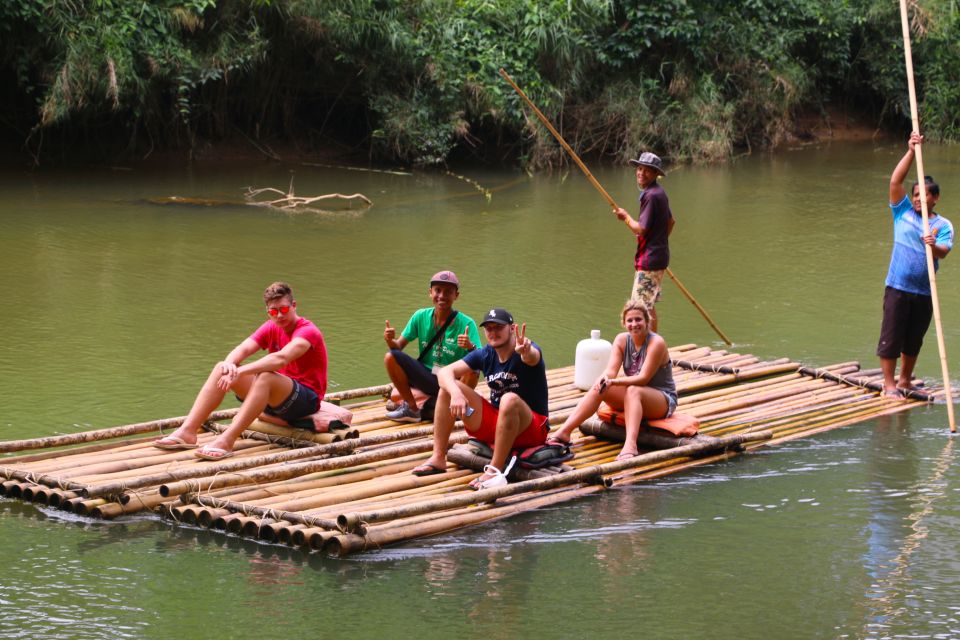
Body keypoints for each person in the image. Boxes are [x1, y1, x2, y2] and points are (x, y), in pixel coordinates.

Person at [153, 281, 329, 460]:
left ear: (293, 306)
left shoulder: (307, 331)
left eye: (283, 310)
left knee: (266, 376)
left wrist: (241, 371)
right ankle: (187, 431)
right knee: (222, 368)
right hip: (275, 398)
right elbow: (243, 348)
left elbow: (281, 358)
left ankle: (226, 440)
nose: (279, 316)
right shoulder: (271, 326)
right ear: (268, 312)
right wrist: (230, 364)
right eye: (273, 312)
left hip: (305, 400)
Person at [412, 308, 549, 489]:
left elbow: (532, 357)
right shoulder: (485, 354)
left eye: (498, 327)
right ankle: (438, 458)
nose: (493, 332)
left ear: (511, 328)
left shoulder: (526, 348)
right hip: (499, 423)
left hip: (531, 428)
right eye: (489, 328)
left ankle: (494, 470)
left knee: (509, 399)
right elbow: (445, 372)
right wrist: (456, 393)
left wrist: (526, 351)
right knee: (448, 388)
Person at [549, 300, 677, 461]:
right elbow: (611, 371)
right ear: (624, 323)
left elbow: (643, 379)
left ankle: (631, 445)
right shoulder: (622, 340)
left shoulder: (656, 343)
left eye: (638, 319)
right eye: (630, 320)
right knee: (601, 385)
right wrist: (604, 378)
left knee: (633, 389)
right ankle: (564, 432)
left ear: (647, 321)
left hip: (662, 400)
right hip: (634, 396)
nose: (634, 324)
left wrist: (615, 382)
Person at [878, 133, 953, 397]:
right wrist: (911, 151)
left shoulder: (942, 225)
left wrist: (931, 245)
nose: (919, 199)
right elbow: (895, 181)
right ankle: (889, 386)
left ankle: (905, 381)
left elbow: (943, 252)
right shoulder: (903, 213)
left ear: (936, 198)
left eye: (924, 195)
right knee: (891, 335)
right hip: (898, 285)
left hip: (924, 290)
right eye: (916, 195)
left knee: (913, 340)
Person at [383, 270, 481, 422]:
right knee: (390, 358)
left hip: (452, 381)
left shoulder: (467, 323)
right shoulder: (420, 316)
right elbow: (397, 347)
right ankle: (413, 409)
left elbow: (480, 359)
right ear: (430, 292)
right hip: (428, 376)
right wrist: (390, 340)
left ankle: (449, 406)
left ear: (456, 296)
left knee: (473, 370)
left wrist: (470, 346)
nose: (442, 296)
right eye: (438, 290)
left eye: (448, 292)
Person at [615, 151, 675, 333]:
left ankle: (648, 346)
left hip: (649, 260)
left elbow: (640, 229)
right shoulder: (659, 193)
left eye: (648, 171)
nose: (641, 173)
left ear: (656, 174)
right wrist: (658, 239)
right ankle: (653, 343)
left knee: (640, 305)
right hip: (658, 257)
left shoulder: (651, 195)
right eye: (639, 169)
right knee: (649, 304)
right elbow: (671, 222)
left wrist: (625, 217)